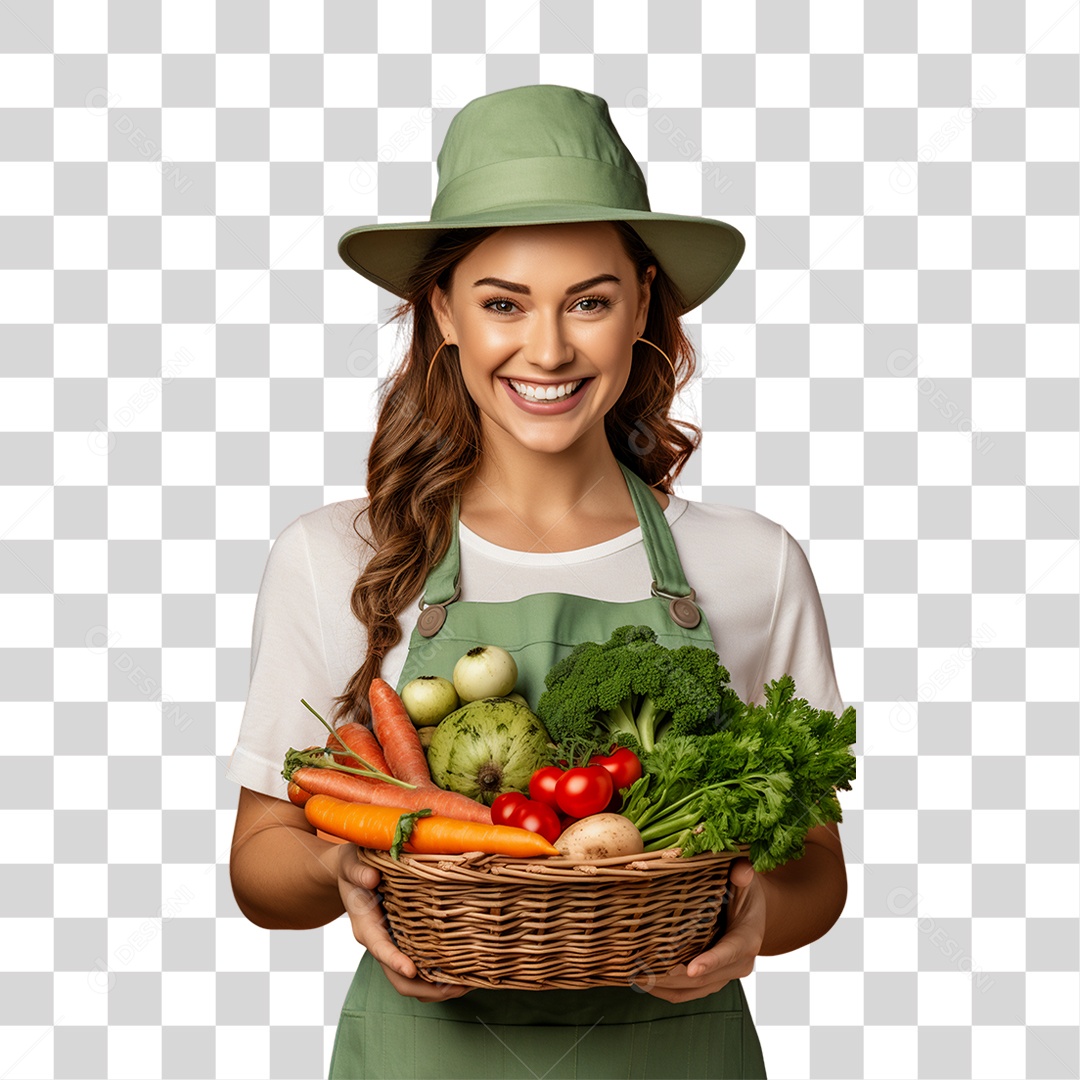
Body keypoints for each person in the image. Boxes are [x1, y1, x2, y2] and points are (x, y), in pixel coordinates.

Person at [226, 84, 848, 1079]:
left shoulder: (753, 561)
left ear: (643, 301)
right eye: (503, 302)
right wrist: (337, 861)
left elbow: (816, 868)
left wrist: (760, 914)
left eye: (590, 301)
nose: (549, 349)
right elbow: (259, 864)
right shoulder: (334, 553)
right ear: (442, 312)